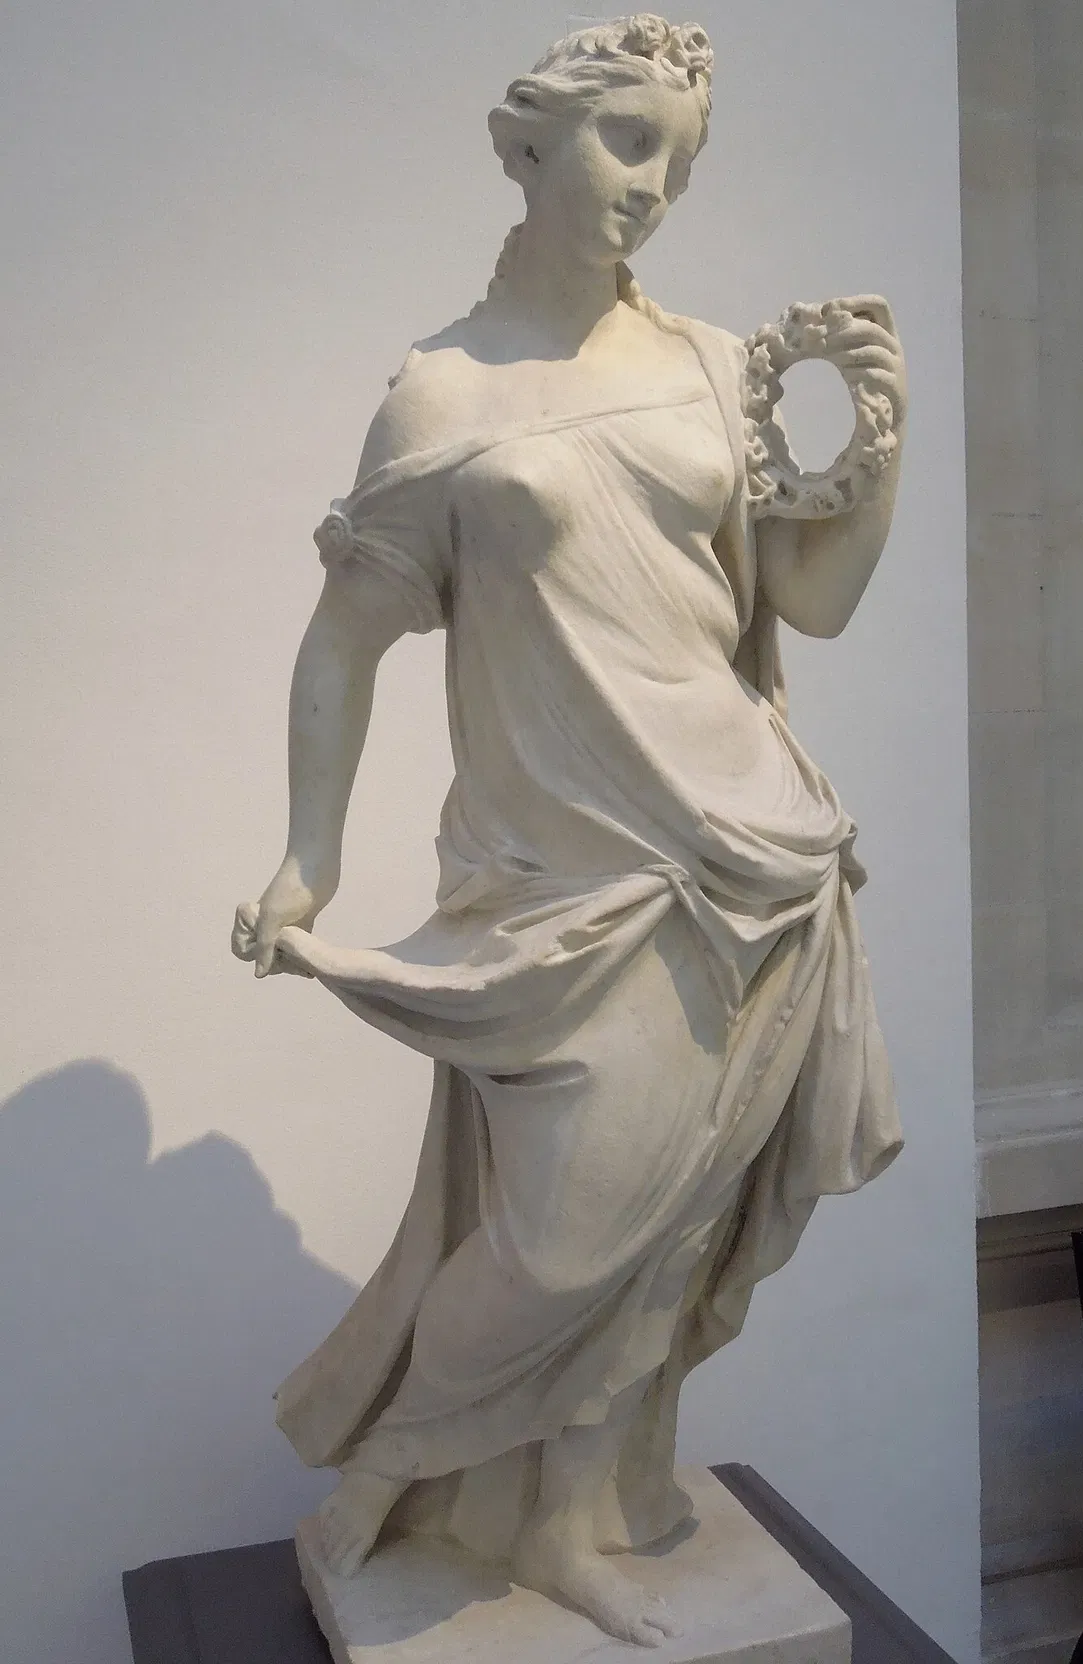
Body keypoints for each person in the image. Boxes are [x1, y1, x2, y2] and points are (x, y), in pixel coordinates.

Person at [233, 14, 905, 1648]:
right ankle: (390, 1462)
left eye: (680, 159)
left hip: (751, 857)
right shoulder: (441, 397)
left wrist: (878, 452)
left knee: (663, 1232)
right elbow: (341, 645)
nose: (653, 185)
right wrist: (310, 854)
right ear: (526, 143)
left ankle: (565, 1520)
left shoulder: (707, 366)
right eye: (626, 140)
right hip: (568, 885)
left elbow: (805, 605)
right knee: (557, 1240)